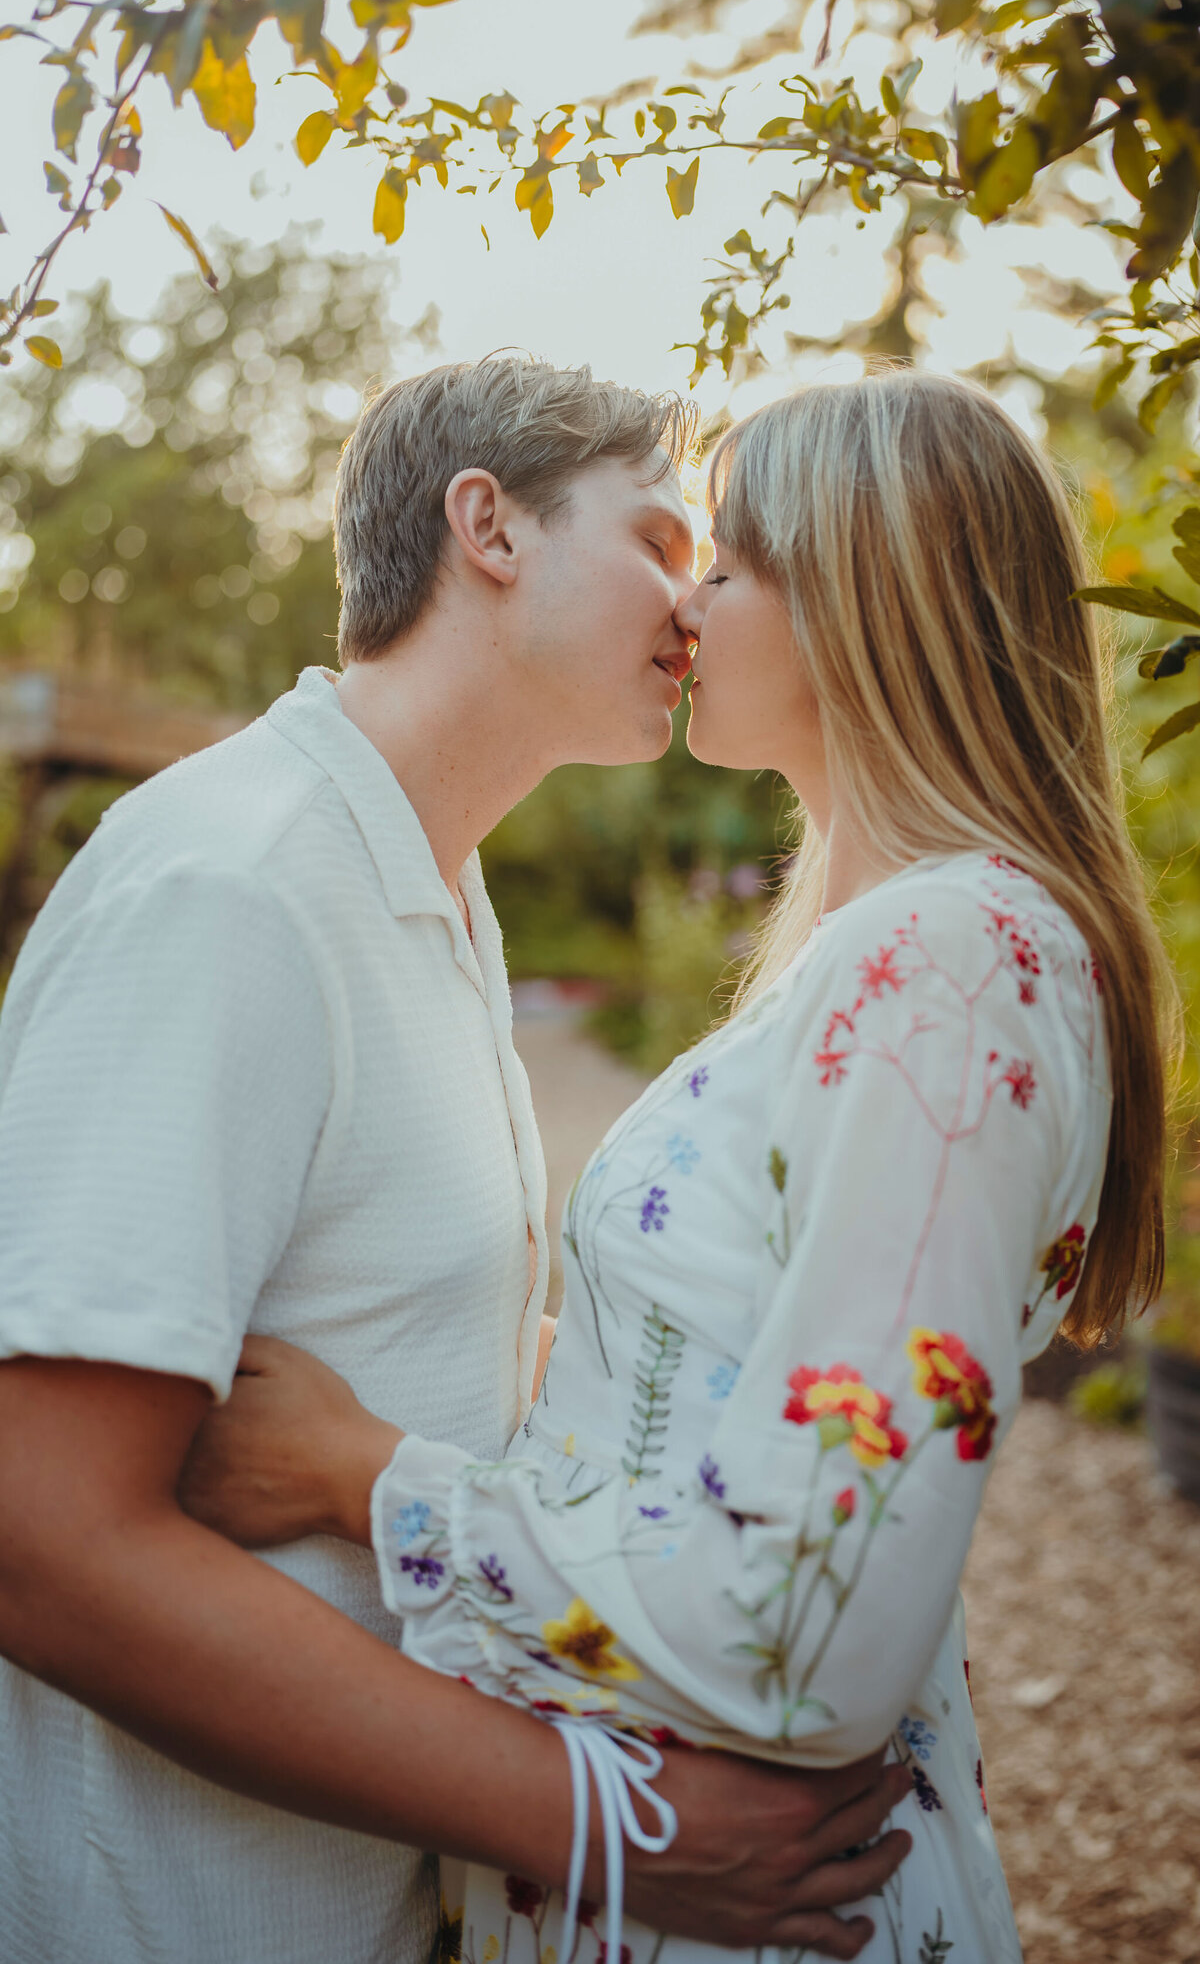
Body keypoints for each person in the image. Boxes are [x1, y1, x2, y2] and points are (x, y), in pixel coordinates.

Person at [181, 370, 1175, 1964]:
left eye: (724, 562)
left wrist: (362, 1476)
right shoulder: (890, 951)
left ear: (864, 594)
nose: (685, 603)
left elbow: (810, 1626)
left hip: (757, 1907)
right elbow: (734, 1388)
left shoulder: (953, 967)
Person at [0, 358, 914, 1964]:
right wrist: (608, 1827)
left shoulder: (428, 885)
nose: (696, 597)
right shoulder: (235, 890)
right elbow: (40, 1540)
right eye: (658, 536)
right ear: (487, 526)